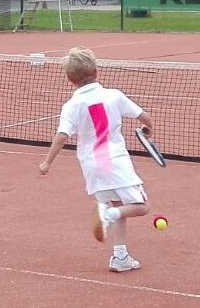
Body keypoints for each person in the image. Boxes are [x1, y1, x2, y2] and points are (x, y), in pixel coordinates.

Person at [38, 47, 155, 273]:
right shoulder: (114, 96)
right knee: (141, 207)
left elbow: (62, 135)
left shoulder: (71, 105)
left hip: (92, 165)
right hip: (114, 161)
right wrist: (148, 129)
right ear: (96, 70)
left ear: (70, 79)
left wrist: (47, 163)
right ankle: (107, 215)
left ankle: (120, 257)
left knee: (120, 206)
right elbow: (144, 116)